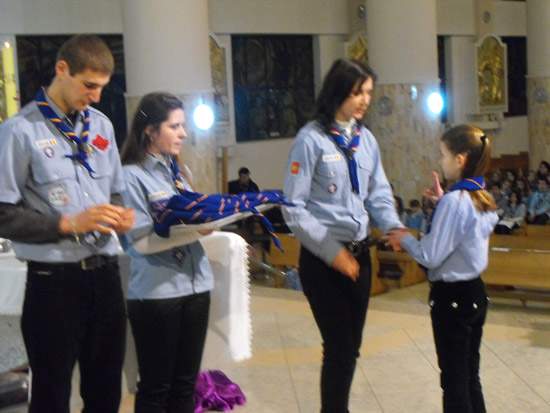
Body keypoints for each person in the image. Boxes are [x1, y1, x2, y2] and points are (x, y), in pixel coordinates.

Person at [0, 35, 134, 413]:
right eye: (89, 85)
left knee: (106, 391)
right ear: (62, 69)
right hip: (54, 283)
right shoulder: (20, 131)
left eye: (102, 88)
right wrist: (68, 223)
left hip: (105, 275)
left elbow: (117, 192)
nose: (95, 96)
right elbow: (3, 214)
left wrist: (121, 215)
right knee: (52, 395)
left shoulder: (101, 126)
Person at [282, 58, 403, 413]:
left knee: (351, 347)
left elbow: (378, 192)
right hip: (324, 261)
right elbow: (293, 208)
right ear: (338, 91)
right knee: (338, 347)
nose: (365, 100)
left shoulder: (366, 140)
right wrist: (331, 251)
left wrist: (392, 224)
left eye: (368, 92)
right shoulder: (310, 140)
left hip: (359, 256)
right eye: (357, 92)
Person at [386, 125, 498, 413]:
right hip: (475, 292)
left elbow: (431, 255)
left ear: (460, 159)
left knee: (454, 382)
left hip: (452, 299)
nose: (440, 161)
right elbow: (463, 226)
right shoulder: (480, 194)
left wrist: (405, 238)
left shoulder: (455, 201)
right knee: (470, 377)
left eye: (443, 155)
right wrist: (443, 201)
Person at [120, 92, 214, 413]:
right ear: (150, 131)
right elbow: (140, 241)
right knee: (156, 387)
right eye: (174, 127)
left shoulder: (178, 174)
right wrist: (196, 229)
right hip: (157, 292)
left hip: (196, 285)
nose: (183, 134)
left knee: (186, 385)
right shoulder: (130, 176)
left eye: (183, 126)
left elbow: (190, 219)